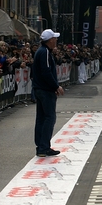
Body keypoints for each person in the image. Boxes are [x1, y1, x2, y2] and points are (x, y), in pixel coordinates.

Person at [32, 29, 64, 157]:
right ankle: (44, 146)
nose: (56, 40)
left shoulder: (41, 51)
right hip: (45, 90)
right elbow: (46, 71)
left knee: (41, 118)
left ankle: (40, 146)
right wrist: (55, 86)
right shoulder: (44, 52)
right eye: (55, 38)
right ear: (50, 40)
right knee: (49, 117)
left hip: (39, 89)